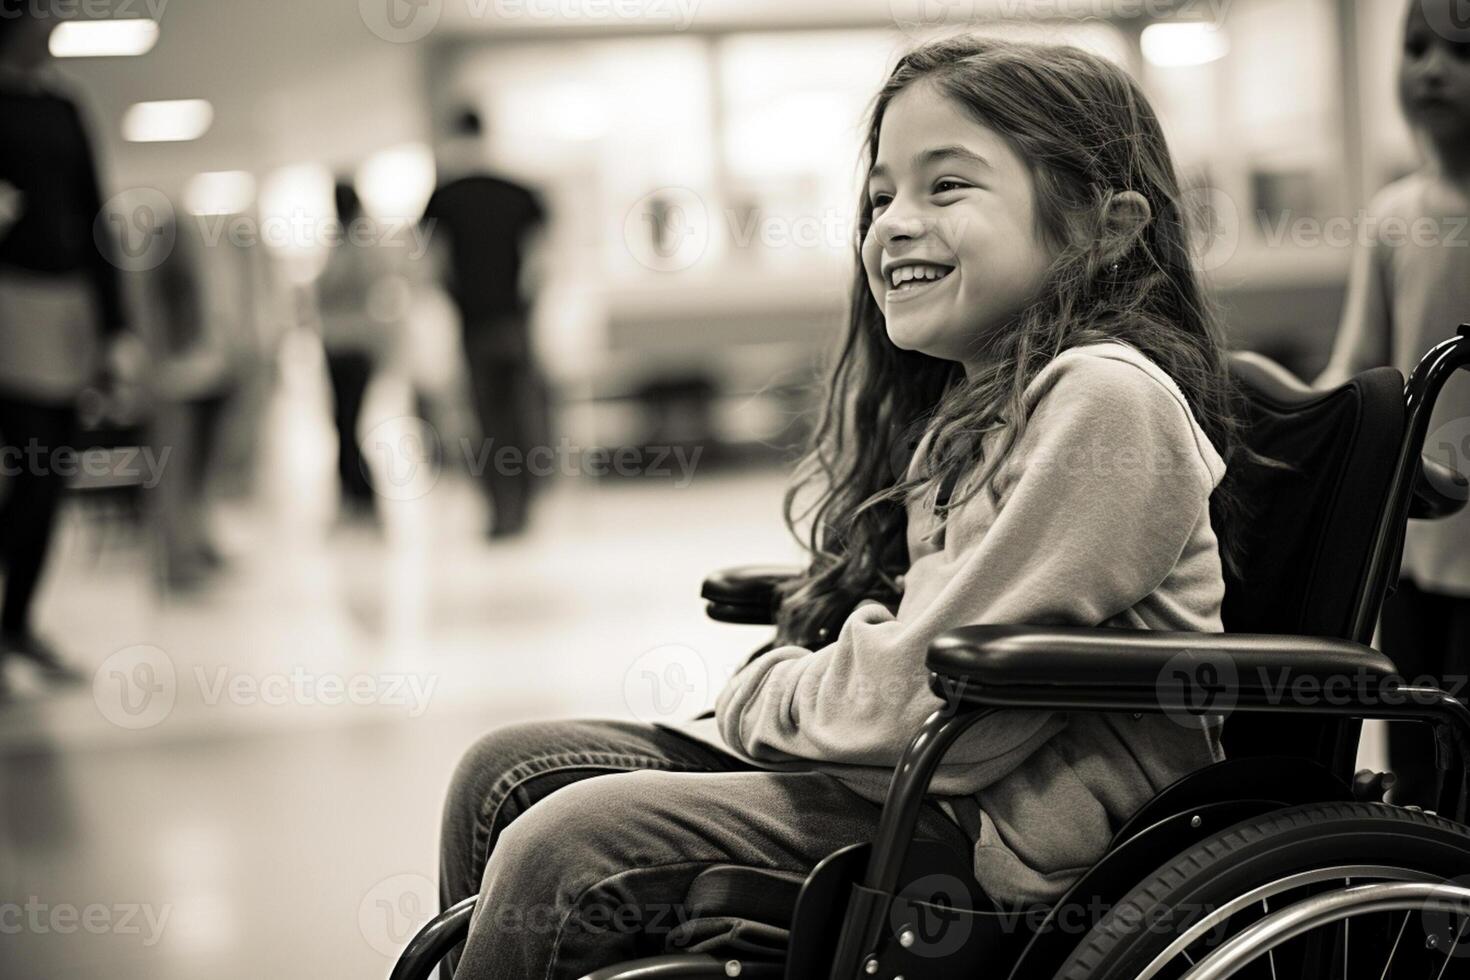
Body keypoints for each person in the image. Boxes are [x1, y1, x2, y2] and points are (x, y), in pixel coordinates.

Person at [438, 37, 1245, 978]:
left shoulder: (1106, 401)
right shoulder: (981, 405)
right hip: (923, 783)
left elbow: (944, 704)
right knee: (502, 771)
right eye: (881, 196)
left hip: (1009, 841)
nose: (895, 223)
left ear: (1108, 228)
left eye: (947, 188)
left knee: (562, 847)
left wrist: (766, 690)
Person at [1316, 0, 1470, 809]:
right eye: (1415, 48)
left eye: (1460, 53)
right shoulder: (1393, 218)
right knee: (1417, 755)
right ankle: (1421, 924)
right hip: (1409, 546)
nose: (1433, 70)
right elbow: (1357, 369)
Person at [0, 5, 127, 691]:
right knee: (23, 466)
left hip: (64, 305)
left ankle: (16, 622)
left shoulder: (63, 106)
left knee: (47, 472)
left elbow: (96, 211)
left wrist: (115, 327)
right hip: (7, 299)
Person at [422, 110, 549, 538]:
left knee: (489, 422)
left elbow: (433, 266)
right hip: (514, 322)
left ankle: (502, 508)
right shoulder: (520, 193)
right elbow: (540, 262)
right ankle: (525, 504)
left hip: (475, 327)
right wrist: (527, 307)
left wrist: (455, 304)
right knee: (523, 415)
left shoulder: (443, 198)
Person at [317, 181, 397, 517]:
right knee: (340, 422)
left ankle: (360, 491)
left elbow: (379, 294)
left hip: (355, 348)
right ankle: (353, 490)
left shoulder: (361, 248)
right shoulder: (334, 245)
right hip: (337, 347)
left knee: (349, 421)